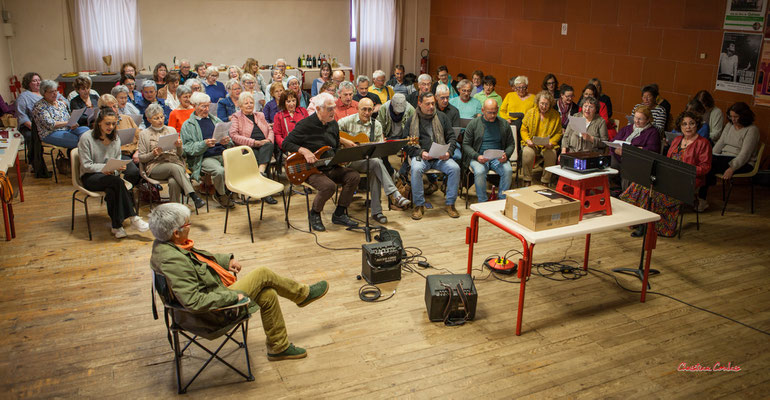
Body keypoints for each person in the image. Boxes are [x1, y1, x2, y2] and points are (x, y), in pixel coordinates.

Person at [149, 202, 329, 360]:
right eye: (187, 224)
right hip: (210, 315)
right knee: (263, 274)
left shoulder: (167, 245)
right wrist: (232, 298)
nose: (190, 227)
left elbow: (199, 260)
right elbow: (194, 302)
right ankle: (302, 295)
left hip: (212, 296)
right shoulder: (173, 261)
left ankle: (278, 347)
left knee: (268, 294)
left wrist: (226, 260)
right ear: (175, 232)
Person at [621, 111, 712, 236]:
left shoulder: (703, 143)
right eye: (684, 124)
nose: (688, 127)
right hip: (668, 177)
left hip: (686, 181)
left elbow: (706, 167)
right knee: (641, 183)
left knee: (651, 191)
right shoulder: (677, 140)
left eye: (691, 124)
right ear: (680, 126)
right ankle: (642, 221)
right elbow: (667, 160)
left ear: (697, 125)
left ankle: (646, 225)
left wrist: (687, 170)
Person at [282, 93, 361, 231]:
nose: (333, 112)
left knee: (354, 176)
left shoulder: (333, 125)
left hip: (330, 165)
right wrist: (304, 151)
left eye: (334, 108)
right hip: (311, 169)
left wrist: (342, 158)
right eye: (329, 109)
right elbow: (286, 143)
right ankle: (315, 214)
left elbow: (335, 147)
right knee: (328, 186)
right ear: (318, 109)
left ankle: (340, 213)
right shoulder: (305, 125)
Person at [77, 109, 149, 238]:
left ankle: (117, 227)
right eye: (107, 124)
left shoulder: (116, 139)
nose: (111, 127)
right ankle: (133, 217)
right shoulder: (86, 138)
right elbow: (86, 166)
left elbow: (116, 159)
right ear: (99, 123)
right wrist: (104, 168)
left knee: (112, 188)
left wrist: (117, 168)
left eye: (113, 124)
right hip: (90, 176)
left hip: (109, 176)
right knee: (116, 182)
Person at [338, 98, 411, 222]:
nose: (367, 112)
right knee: (376, 164)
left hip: (368, 162)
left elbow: (379, 149)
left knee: (375, 164)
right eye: (364, 109)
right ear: (357, 109)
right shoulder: (346, 121)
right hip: (348, 162)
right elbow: (332, 133)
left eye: (370, 109)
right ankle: (393, 195)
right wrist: (345, 141)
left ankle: (377, 212)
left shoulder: (376, 125)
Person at [404, 92, 461, 220]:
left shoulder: (442, 117)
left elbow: (452, 137)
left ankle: (450, 204)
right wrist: (421, 153)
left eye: (433, 103)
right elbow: (406, 143)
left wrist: (449, 152)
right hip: (422, 155)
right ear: (419, 103)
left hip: (440, 156)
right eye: (427, 104)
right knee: (416, 169)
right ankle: (419, 205)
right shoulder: (412, 120)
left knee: (455, 168)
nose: (431, 107)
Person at [138, 104, 205, 209]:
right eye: (156, 118)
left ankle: (175, 210)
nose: (160, 120)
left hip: (174, 161)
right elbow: (141, 158)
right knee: (174, 168)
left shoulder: (171, 130)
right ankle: (193, 195)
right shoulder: (144, 134)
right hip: (155, 166)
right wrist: (153, 153)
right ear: (149, 119)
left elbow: (180, 154)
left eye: (162, 117)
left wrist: (179, 147)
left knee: (174, 181)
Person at [701, 102, 760, 210]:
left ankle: (701, 199)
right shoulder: (729, 126)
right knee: (706, 161)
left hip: (743, 163)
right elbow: (720, 143)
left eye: (736, 117)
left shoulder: (752, 130)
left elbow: (745, 154)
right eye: (731, 116)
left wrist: (732, 168)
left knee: (709, 166)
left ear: (744, 116)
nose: (733, 119)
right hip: (723, 158)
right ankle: (701, 198)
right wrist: (709, 155)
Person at [180, 92, 234, 208]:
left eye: (208, 106)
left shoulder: (216, 120)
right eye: (203, 106)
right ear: (194, 106)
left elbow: (229, 140)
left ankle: (231, 190)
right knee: (219, 171)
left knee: (238, 164)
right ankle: (220, 194)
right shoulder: (188, 125)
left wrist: (226, 142)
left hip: (222, 153)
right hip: (204, 156)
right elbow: (187, 148)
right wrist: (204, 144)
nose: (207, 109)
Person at [228, 91, 278, 206]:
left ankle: (260, 174)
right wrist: (254, 142)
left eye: (251, 102)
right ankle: (265, 192)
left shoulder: (259, 115)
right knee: (255, 155)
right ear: (240, 106)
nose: (249, 105)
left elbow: (270, 130)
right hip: (248, 147)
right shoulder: (237, 117)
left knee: (269, 145)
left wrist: (268, 140)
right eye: (246, 103)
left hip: (264, 145)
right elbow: (234, 135)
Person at [462, 99, 514, 203]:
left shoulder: (503, 124)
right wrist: (477, 156)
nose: (492, 115)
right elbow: (466, 144)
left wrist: (506, 155)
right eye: (489, 112)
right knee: (480, 171)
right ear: (482, 110)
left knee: (508, 170)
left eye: (495, 112)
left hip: (498, 157)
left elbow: (511, 144)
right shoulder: (474, 124)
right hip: (479, 157)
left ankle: (502, 200)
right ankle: (482, 201)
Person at [611, 106, 660, 188]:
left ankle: (624, 196)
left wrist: (630, 151)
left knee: (628, 168)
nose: (637, 121)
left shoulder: (653, 133)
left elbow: (652, 151)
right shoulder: (627, 128)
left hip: (636, 161)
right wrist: (616, 150)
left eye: (640, 119)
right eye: (635, 118)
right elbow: (613, 142)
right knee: (606, 164)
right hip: (619, 157)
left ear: (648, 120)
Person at [32, 80, 90, 150]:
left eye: (55, 91)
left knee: (87, 131)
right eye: (51, 92)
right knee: (77, 140)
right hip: (50, 133)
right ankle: (76, 158)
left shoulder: (61, 104)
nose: (55, 94)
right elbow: (50, 124)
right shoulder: (39, 106)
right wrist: (68, 123)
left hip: (67, 129)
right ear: (44, 93)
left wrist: (73, 123)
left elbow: (68, 118)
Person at [520, 90, 562, 185]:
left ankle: (545, 181)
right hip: (532, 143)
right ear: (538, 102)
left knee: (552, 154)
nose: (544, 106)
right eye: (542, 103)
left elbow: (558, 133)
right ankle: (527, 179)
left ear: (550, 104)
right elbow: (523, 129)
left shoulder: (555, 115)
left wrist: (551, 143)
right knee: (527, 153)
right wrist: (527, 140)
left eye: (546, 104)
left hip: (547, 145)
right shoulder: (531, 113)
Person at [98, 94, 141, 167]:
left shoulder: (127, 118)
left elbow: (140, 136)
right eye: (110, 108)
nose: (114, 110)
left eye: (115, 106)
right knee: (133, 171)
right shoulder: (102, 124)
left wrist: (138, 151)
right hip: (120, 154)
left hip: (136, 151)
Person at [376, 93, 414, 176]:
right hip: (388, 136)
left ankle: (402, 174)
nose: (398, 113)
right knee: (380, 151)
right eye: (396, 110)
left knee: (413, 151)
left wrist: (408, 139)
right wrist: (382, 138)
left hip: (404, 137)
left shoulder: (410, 109)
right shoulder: (384, 108)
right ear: (392, 104)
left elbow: (414, 128)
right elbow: (379, 126)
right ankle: (390, 172)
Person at [15, 72, 44, 162]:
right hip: (30, 126)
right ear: (28, 83)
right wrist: (36, 129)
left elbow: (63, 100)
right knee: (31, 136)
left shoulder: (46, 92)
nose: (38, 83)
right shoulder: (23, 97)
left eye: (39, 80)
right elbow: (22, 116)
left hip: (48, 123)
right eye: (35, 81)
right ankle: (35, 163)